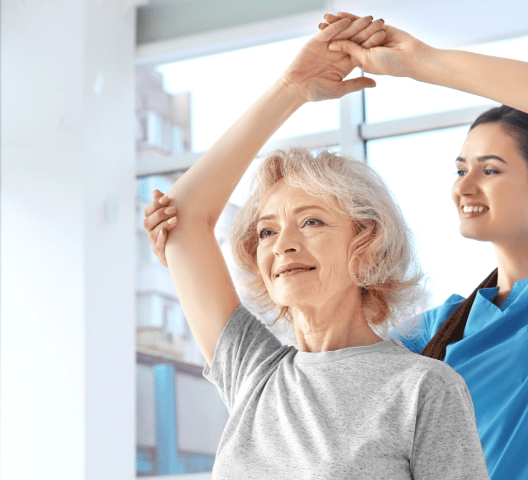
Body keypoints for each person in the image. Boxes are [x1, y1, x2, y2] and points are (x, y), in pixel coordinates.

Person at [145, 13, 528, 480]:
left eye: (490, 170)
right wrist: (293, 88)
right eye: (459, 169)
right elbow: (352, 366)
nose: (463, 186)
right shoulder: (436, 333)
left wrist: (420, 63)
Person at [145, 15, 490, 480]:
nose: (283, 245)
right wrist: (292, 88)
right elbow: (182, 218)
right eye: (267, 232)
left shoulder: (423, 387)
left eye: (311, 222)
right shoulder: (253, 370)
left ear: (366, 244)